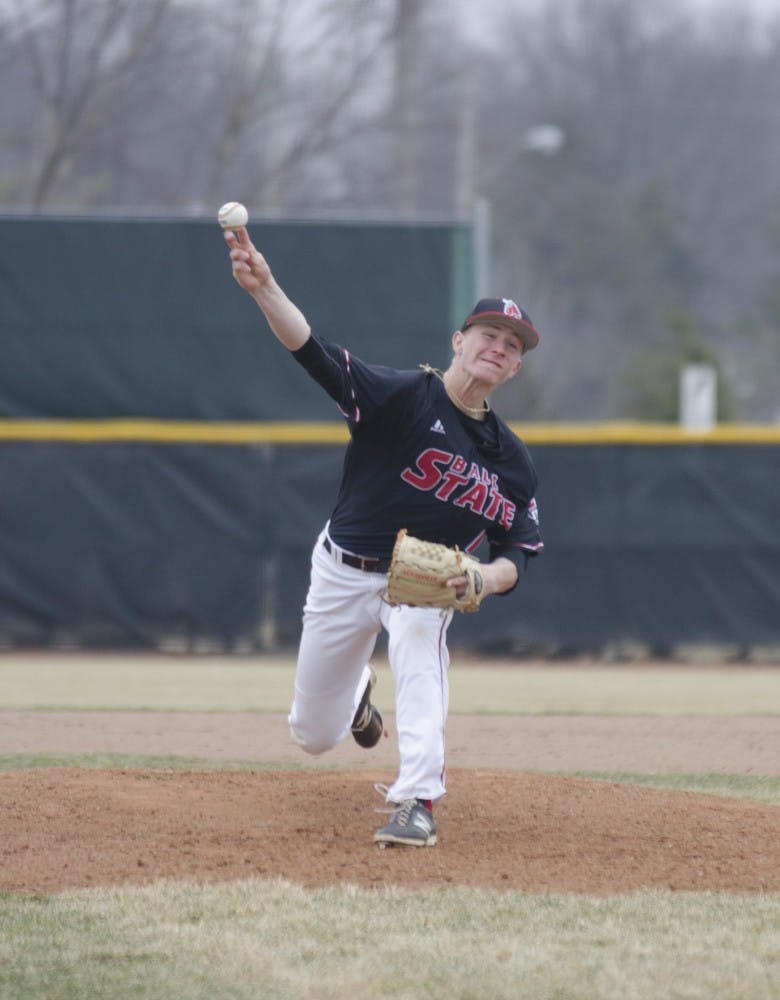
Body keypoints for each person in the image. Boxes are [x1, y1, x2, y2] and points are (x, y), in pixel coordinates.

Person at [224, 226, 544, 848]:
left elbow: (520, 552)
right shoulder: (402, 396)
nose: (498, 348)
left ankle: (417, 801)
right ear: (459, 341)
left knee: (423, 655)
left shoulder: (513, 464)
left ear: (516, 367)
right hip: (343, 569)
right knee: (312, 733)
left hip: (420, 584)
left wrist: (484, 576)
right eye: (488, 334)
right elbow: (312, 351)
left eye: (512, 345)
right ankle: (358, 698)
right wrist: (265, 289)